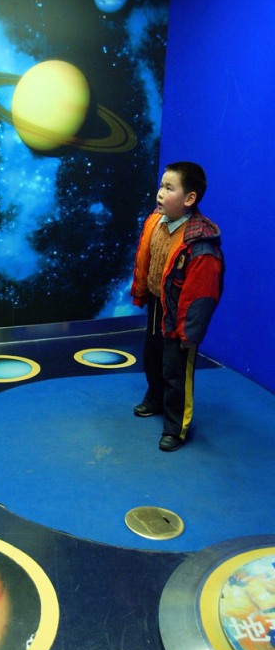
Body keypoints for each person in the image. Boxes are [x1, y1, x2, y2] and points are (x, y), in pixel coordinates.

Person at [130, 161, 224, 451]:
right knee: (153, 357)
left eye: (169, 188)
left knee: (176, 372)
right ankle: (154, 399)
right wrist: (142, 292)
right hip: (158, 305)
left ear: (189, 199)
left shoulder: (199, 244)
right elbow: (145, 261)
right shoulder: (155, 223)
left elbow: (201, 295)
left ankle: (175, 427)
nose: (160, 193)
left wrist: (188, 333)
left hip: (180, 319)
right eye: (161, 185)